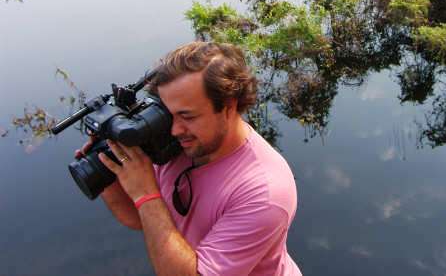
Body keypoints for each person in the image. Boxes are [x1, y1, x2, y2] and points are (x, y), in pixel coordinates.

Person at [76, 41, 302, 276]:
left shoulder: (264, 191)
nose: (174, 130)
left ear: (228, 106)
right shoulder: (179, 143)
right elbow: (141, 219)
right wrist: (108, 168)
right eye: (168, 113)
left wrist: (146, 193)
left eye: (187, 116)